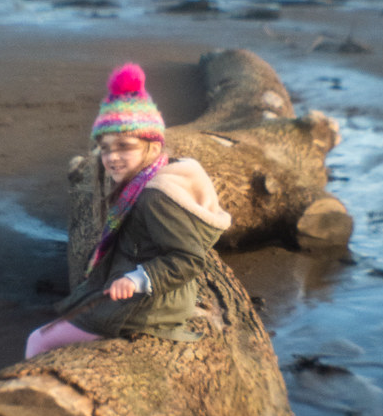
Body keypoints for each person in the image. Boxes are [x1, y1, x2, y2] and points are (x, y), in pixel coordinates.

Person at [25, 62, 231, 358]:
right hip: (148, 296)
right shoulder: (142, 179)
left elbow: (188, 258)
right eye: (105, 147)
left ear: (153, 146)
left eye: (124, 146)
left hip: (150, 305)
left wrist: (137, 278)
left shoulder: (155, 197)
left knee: (39, 340)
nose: (112, 157)